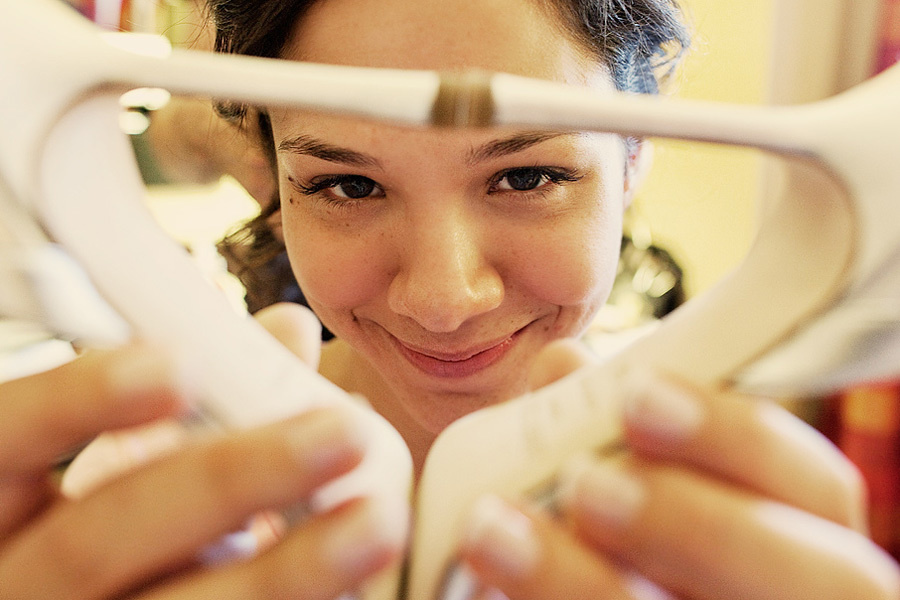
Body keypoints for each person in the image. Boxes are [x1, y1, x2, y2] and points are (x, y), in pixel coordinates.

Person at [1, 1, 898, 599]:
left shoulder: (725, 520)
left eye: (529, 174)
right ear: (269, 175)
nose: (443, 298)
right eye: (347, 188)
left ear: (634, 156)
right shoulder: (157, 493)